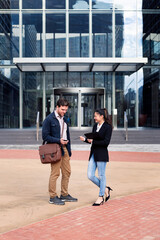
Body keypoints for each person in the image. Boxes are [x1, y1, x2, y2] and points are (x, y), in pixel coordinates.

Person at [42, 98, 78, 205]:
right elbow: (45, 136)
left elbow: (67, 134)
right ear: (57, 107)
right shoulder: (49, 119)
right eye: (62, 109)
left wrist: (69, 150)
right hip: (54, 149)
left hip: (65, 148)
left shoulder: (65, 118)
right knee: (55, 173)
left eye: (66, 110)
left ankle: (64, 194)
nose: (64, 112)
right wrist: (58, 140)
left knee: (67, 172)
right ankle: (53, 197)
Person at [80, 108, 113, 206]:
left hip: (102, 154)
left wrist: (93, 141)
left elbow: (106, 142)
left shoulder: (108, 127)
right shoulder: (95, 126)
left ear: (101, 116)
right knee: (90, 175)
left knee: (101, 175)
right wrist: (85, 140)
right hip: (93, 153)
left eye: (96, 116)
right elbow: (92, 140)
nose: (94, 118)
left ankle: (101, 196)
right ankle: (106, 188)